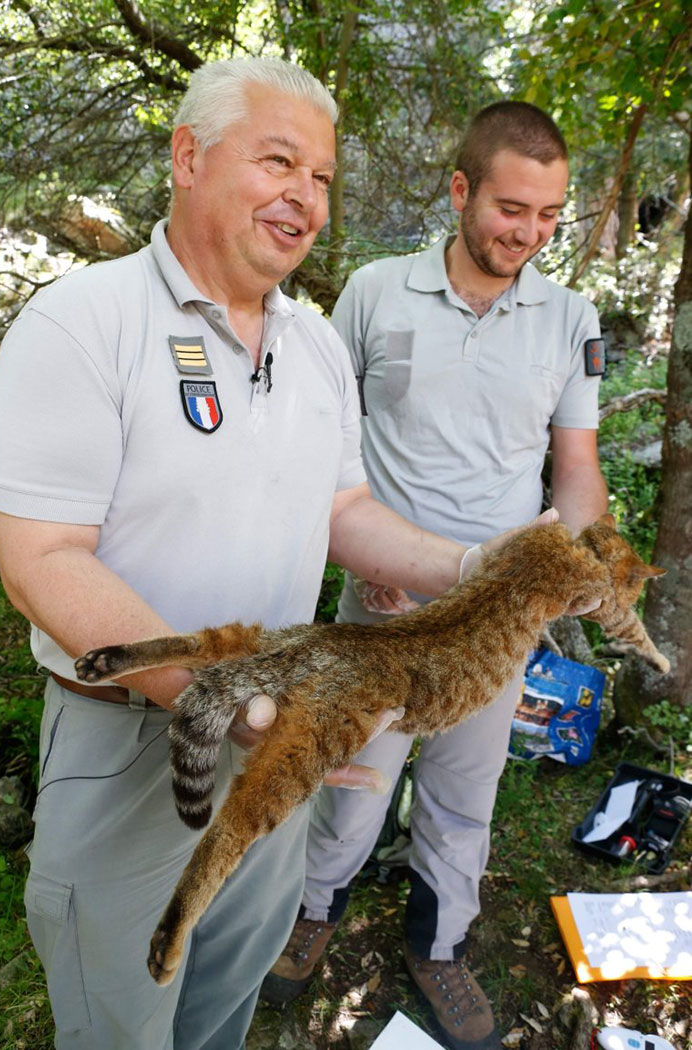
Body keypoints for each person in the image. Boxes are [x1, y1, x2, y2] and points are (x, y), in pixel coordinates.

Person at [0, 60, 546, 1050]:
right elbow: (41, 558)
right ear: (188, 157)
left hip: (278, 736)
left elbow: (344, 511)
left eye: (322, 177)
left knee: (223, 1002)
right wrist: (230, 702)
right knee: (121, 1020)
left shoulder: (315, 346)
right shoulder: (84, 322)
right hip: (131, 748)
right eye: (278, 162)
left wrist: (478, 573)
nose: (305, 198)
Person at [263, 101, 609, 1050]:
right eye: (511, 209)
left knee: (466, 787)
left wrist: (565, 562)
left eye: (549, 215)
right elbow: (316, 444)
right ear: (461, 190)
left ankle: (441, 942)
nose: (529, 234)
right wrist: (355, 551)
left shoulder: (568, 318)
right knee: (352, 778)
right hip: (380, 600)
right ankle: (312, 908)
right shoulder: (375, 293)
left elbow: (576, 470)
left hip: (495, 618)